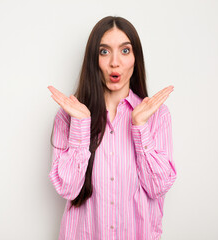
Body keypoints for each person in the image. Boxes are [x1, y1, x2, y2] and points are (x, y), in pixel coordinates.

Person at [47, 16, 177, 240]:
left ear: (136, 58)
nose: (114, 62)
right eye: (104, 52)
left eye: (125, 51)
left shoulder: (157, 116)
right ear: (93, 59)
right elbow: (67, 189)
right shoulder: (69, 117)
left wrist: (140, 127)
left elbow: (158, 187)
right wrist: (80, 125)